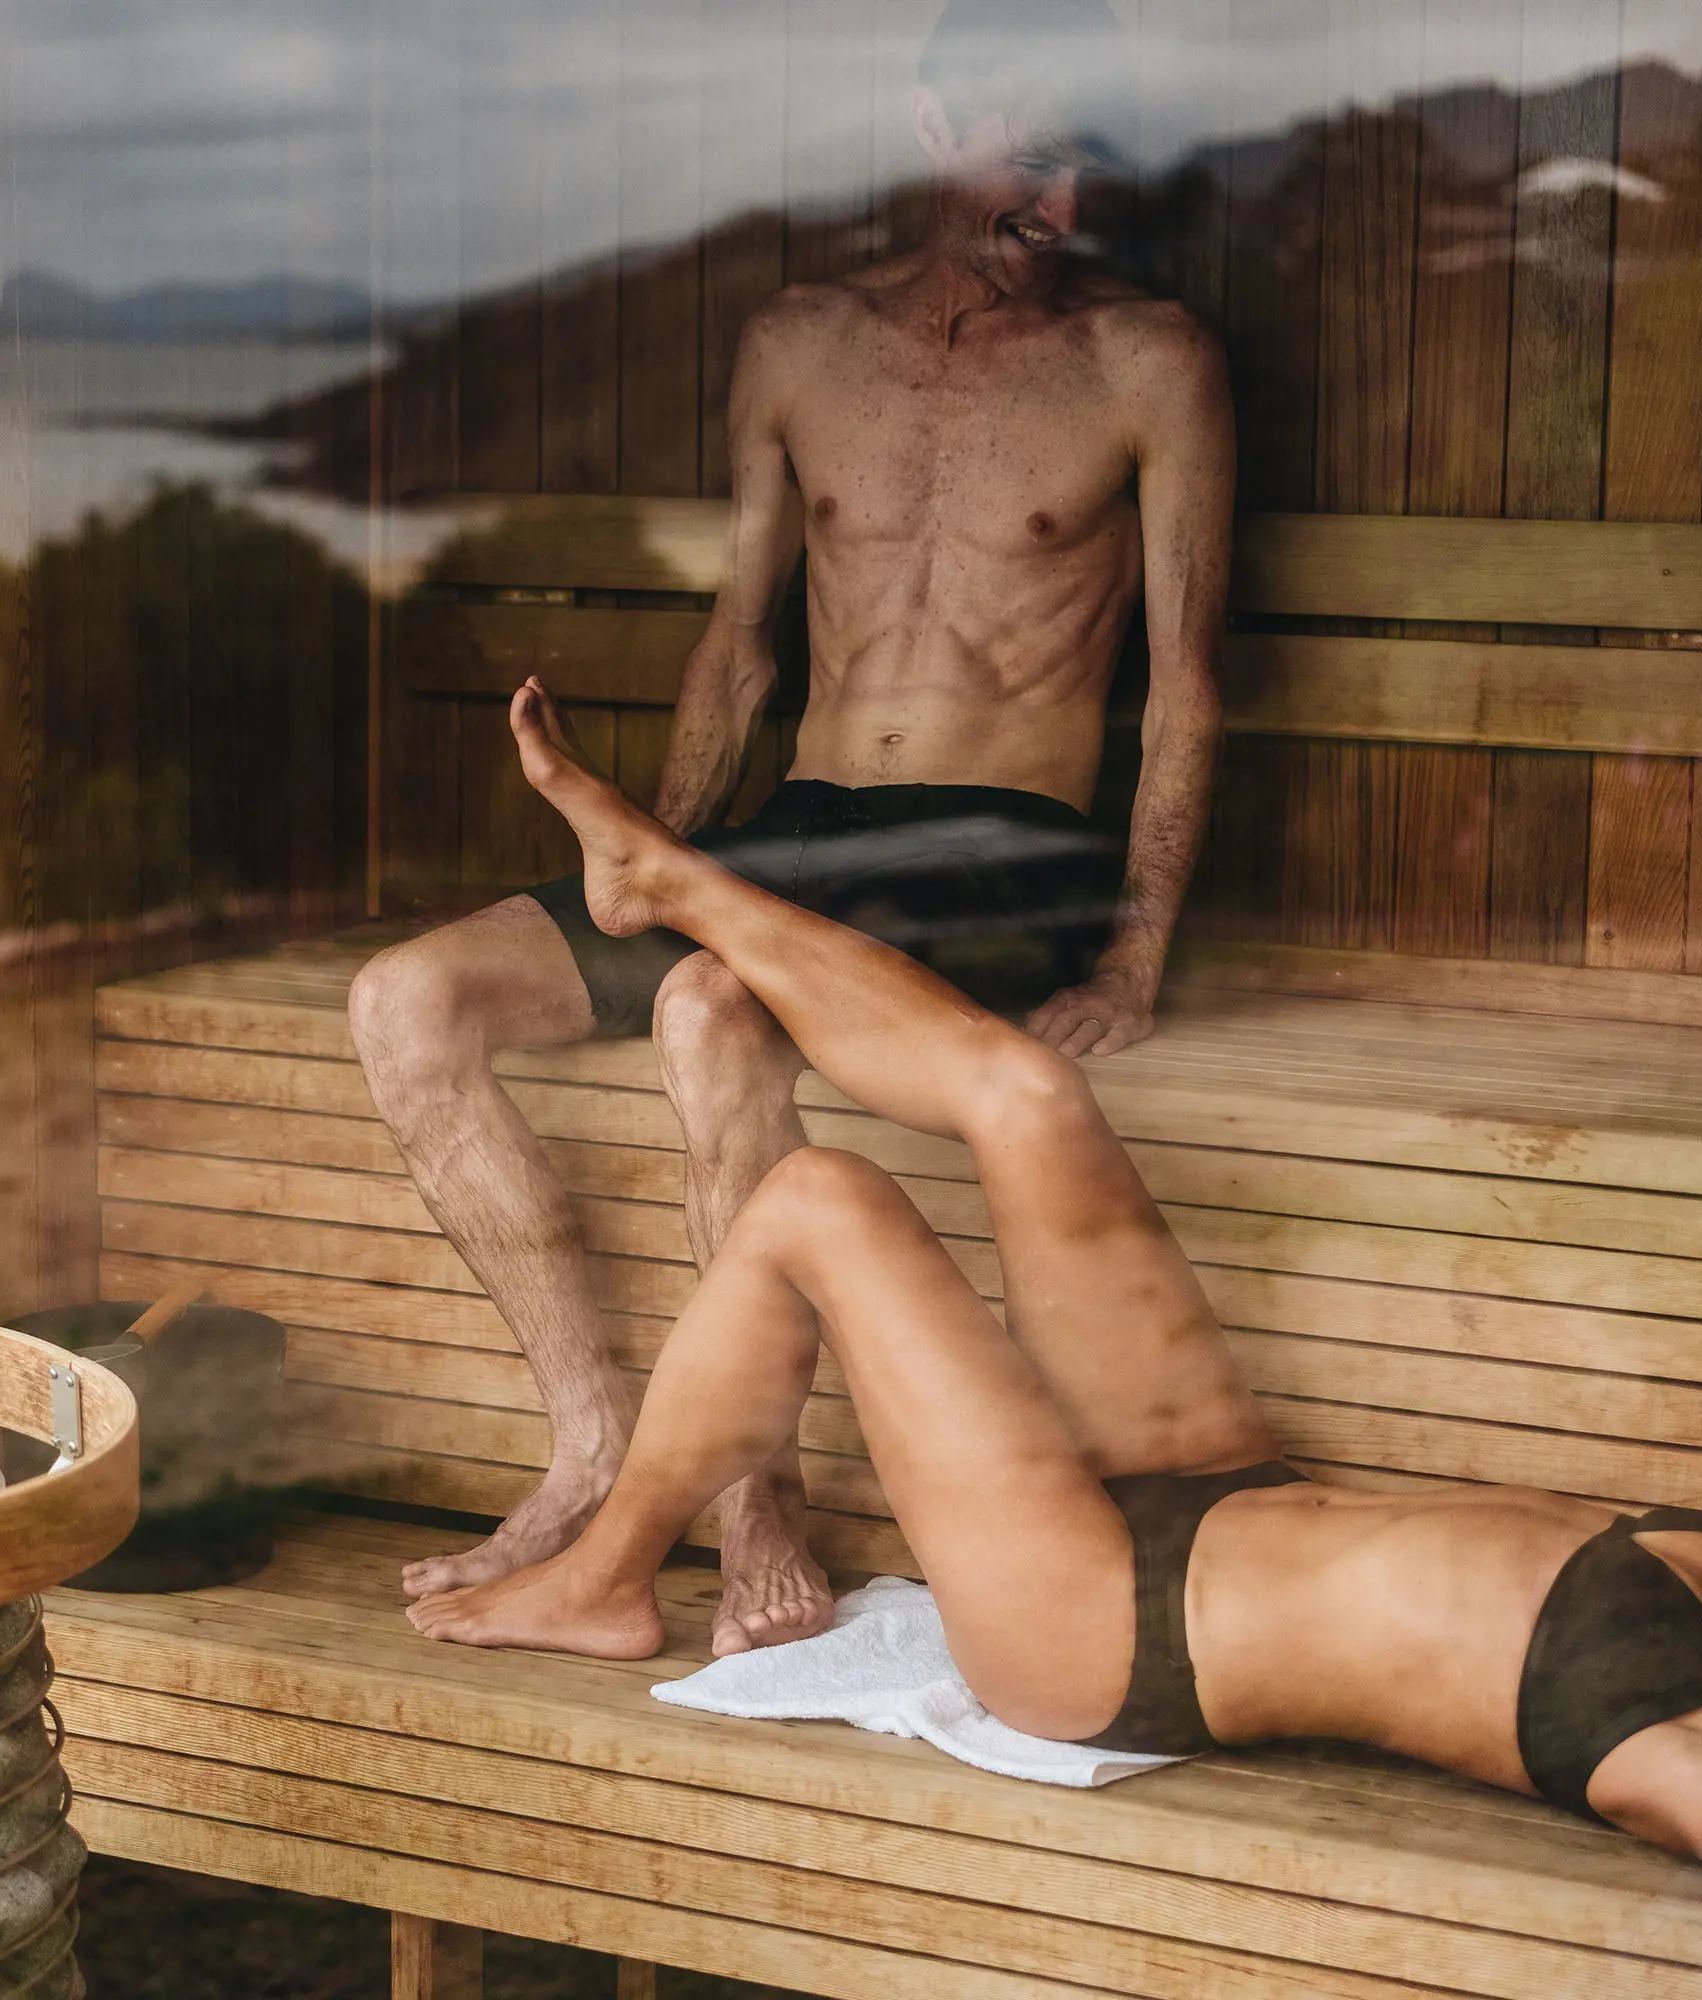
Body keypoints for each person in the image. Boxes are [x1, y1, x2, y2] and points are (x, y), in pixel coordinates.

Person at [409, 681, 1702, 1978]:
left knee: (819, 1204)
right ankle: (674, 880)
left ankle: (608, 1580)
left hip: (1115, 1627)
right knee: (1029, 1094)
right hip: (1220, 1485)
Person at [348, 0, 1230, 1653]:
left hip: (1001, 846)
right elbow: (744, 641)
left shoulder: (1150, 362)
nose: (1069, 201)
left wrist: (1137, 950)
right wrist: (663, 854)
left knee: (712, 1003)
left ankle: (757, 1497)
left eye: (1098, 164)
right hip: (802, 825)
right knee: (407, 1001)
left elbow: (1183, 682)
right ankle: (595, 1440)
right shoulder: (801, 343)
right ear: (927, 126)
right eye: (1034, 152)